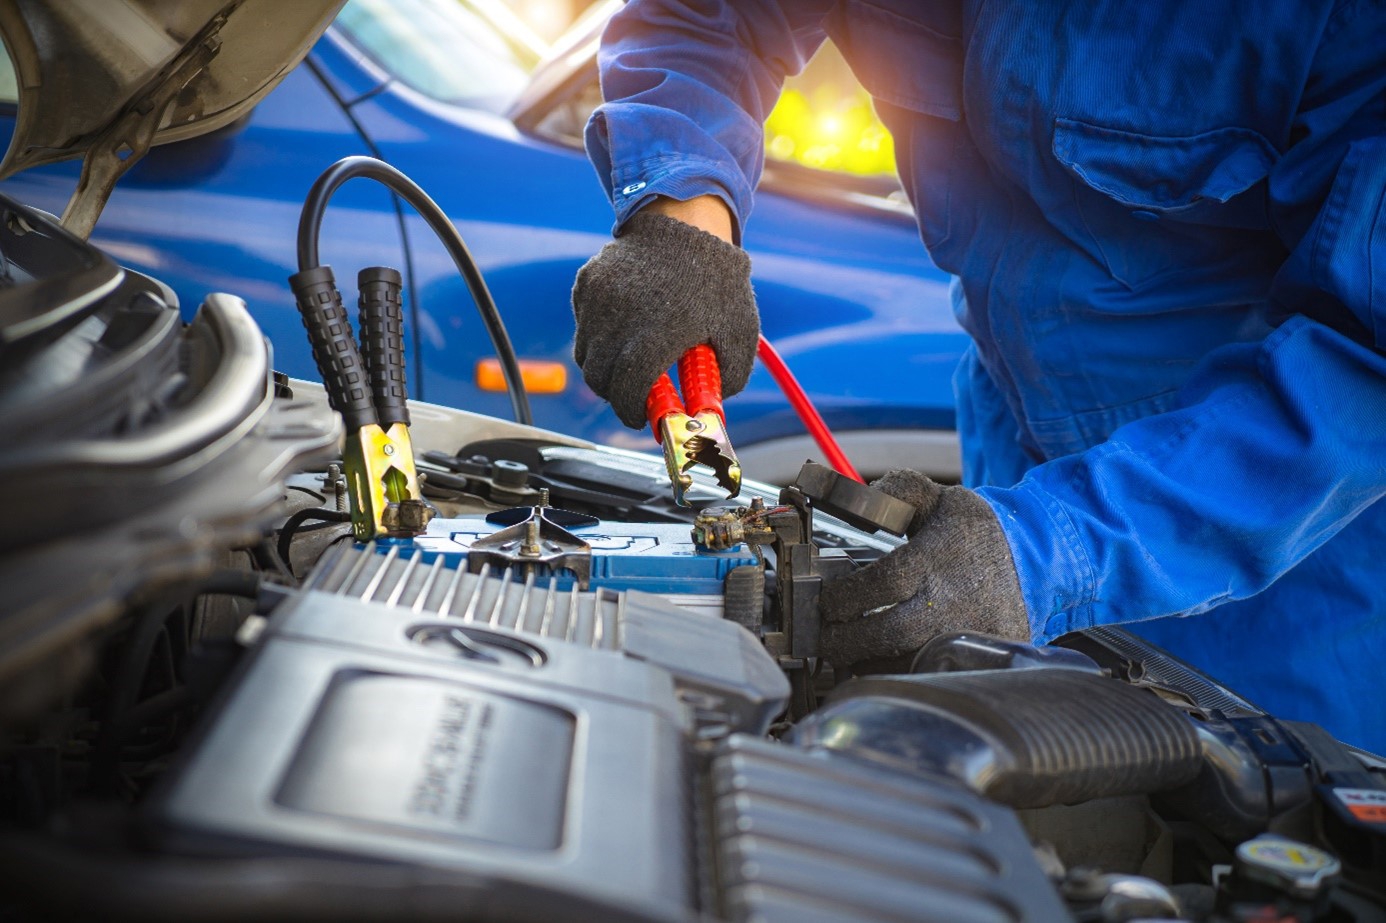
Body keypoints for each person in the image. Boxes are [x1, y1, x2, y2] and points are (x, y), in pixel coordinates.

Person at [569, 1, 1386, 752]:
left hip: (1284, 559)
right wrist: (683, 216)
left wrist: (1049, 551)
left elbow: (1364, 362)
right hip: (1008, 460)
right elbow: (713, 17)